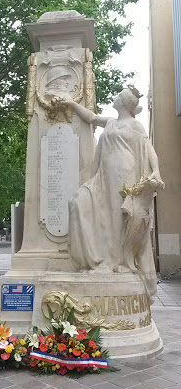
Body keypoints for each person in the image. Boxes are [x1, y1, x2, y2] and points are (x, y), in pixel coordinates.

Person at [61, 86, 164, 304]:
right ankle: (98, 259)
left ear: (124, 103)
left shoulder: (135, 125)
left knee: (118, 218)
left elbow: (149, 150)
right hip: (103, 176)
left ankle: (119, 262)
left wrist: (155, 171)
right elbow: (90, 117)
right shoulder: (110, 122)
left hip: (125, 175)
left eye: (118, 96)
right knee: (80, 202)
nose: (114, 98)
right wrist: (70, 103)